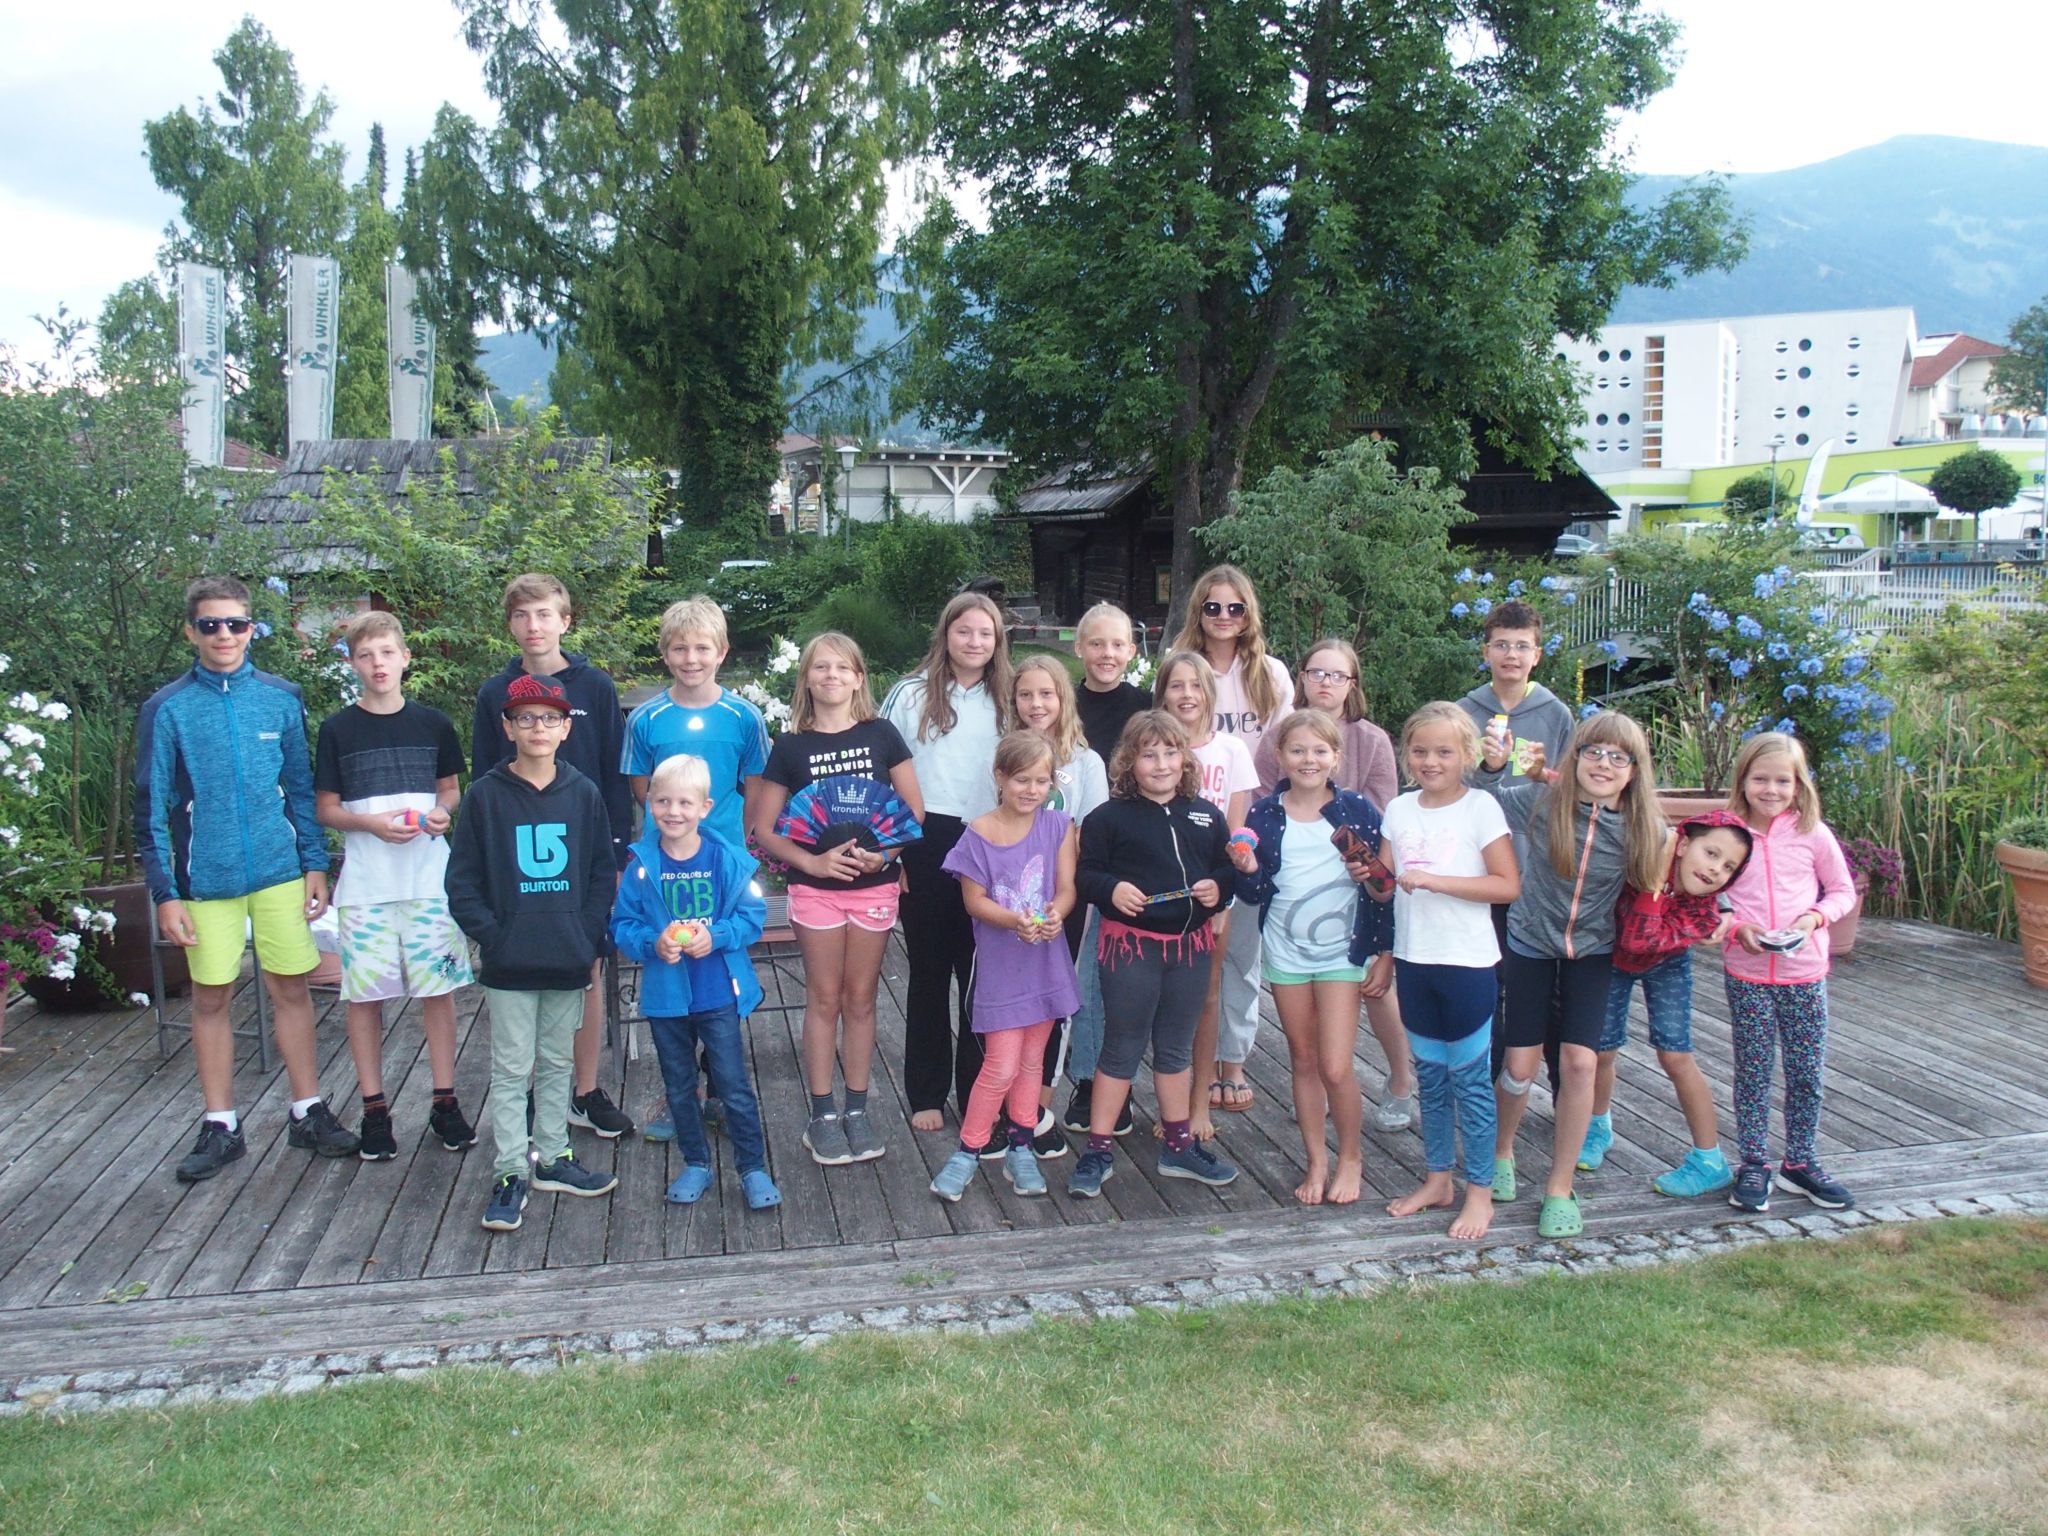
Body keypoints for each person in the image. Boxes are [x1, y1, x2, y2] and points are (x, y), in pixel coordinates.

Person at [137, 575, 359, 1182]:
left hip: (279, 871)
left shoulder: (281, 698)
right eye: (210, 624)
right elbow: (150, 806)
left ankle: (307, 1110)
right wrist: (165, 893)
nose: (224, 635)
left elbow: (301, 788)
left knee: (291, 988)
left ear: (251, 628)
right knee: (211, 996)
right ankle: (221, 1124)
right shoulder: (167, 708)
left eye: (235, 623)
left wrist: (315, 863)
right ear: (191, 631)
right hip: (203, 880)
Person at [446, 674, 619, 1232]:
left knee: (557, 1062)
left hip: (568, 956)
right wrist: (495, 937)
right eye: (525, 718)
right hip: (510, 963)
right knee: (511, 1067)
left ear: (566, 728)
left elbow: (600, 874)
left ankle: (554, 1156)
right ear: (508, 727)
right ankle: (510, 1171)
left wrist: (585, 934)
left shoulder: (583, 793)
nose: (538, 728)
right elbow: (462, 882)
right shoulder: (486, 796)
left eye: (549, 718)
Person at [471, 573, 635, 1140]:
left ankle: (584, 1091)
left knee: (586, 968)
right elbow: (483, 780)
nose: (533, 625)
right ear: (510, 625)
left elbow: (616, 774)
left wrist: (618, 856)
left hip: (585, 856)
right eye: (521, 615)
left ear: (565, 621)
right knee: (521, 973)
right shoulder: (495, 694)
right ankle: (534, 1092)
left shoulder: (595, 688)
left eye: (544, 614)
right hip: (518, 858)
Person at [1490, 710, 1665, 1239]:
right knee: (1519, 1065)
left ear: (1634, 771)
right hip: (1530, 944)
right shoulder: (1543, 801)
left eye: (1618, 757)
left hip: (1593, 952)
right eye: (1594, 751)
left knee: (1581, 1063)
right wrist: (1495, 765)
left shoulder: (1646, 830)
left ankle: (1559, 1187)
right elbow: (1485, 801)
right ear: (1575, 757)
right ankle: (1501, 1152)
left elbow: (1675, 889)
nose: (1604, 764)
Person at [751, 632, 923, 1167]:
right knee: (824, 998)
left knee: (862, 999)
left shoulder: (881, 734)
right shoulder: (791, 746)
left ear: (858, 678)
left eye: (842, 667)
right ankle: (822, 1113)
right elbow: (765, 830)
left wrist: (885, 855)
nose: (831, 676)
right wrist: (813, 864)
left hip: (874, 887)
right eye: (820, 667)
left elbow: (913, 812)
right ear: (806, 678)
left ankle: (857, 1108)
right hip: (816, 891)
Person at [313, 611, 474, 1159]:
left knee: (438, 993)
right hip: (365, 887)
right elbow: (327, 809)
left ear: (405, 657)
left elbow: (450, 790)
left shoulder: (433, 724)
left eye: (386, 653)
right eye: (366, 655)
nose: (378, 664)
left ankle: (445, 1103)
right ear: (352, 663)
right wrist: (370, 824)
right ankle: (374, 1110)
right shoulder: (337, 729)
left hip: (429, 882)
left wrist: (441, 814)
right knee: (365, 999)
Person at [1068, 711, 1238, 1198]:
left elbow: (1226, 870)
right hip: (1131, 950)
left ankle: (1179, 1146)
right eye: (1149, 754)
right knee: (1121, 1046)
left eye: (1170, 752)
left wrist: (1218, 887)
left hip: (1191, 950)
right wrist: (1112, 889)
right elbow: (1086, 876)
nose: (1161, 764)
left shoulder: (1207, 815)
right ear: (1129, 761)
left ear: (1184, 758)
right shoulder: (1108, 818)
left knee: (1176, 1049)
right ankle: (1098, 1149)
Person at [1228, 709, 1394, 1206]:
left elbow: (1385, 889)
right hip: (1286, 952)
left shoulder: (1356, 810)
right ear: (1279, 756)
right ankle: (1317, 1160)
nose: (1309, 759)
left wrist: (1384, 948)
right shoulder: (1264, 814)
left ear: (1336, 758)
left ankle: (1351, 1158)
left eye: (1320, 750)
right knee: (1302, 1059)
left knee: (1336, 1066)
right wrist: (1247, 868)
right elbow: (1255, 892)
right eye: (1297, 750)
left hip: (1342, 953)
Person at [623, 596, 771, 1142]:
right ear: (665, 654)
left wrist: (736, 844)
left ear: (722, 652)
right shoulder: (646, 719)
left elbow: (755, 784)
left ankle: (720, 1089)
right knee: (671, 968)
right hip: (665, 865)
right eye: (680, 648)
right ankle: (679, 1094)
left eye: (702, 648)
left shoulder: (743, 717)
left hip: (722, 865)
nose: (691, 659)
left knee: (719, 968)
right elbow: (642, 788)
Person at [1252, 636, 1413, 1132]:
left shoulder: (1372, 740)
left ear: (1352, 684)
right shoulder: (1280, 736)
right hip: (1299, 894)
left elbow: (1383, 814)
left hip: (1357, 876)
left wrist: (1352, 844)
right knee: (1310, 1037)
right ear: (1301, 678)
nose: (1326, 682)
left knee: (1376, 989)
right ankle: (1318, 1091)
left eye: (1337, 674)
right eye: (1317, 672)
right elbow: (1266, 806)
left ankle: (1400, 1076)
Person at [610, 753, 780, 1211]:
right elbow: (623, 925)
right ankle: (696, 1162)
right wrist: (652, 943)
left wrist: (717, 935)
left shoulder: (727, 860)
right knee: (679, 1085)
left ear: (705, 807)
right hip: (666, 998)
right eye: (662, 801)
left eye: (685, 802)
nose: (673, 811)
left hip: (717, 992)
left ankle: (752, 1166)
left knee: (733, 1083)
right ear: (649, 804)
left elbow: (752, 916)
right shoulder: (641, 865)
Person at [1377, 703, 1520, 1240]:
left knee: (1472, 1083)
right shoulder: (1399, 808)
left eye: (1444, 751)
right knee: (1432, 1080)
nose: (1431, 761)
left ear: (1467, 755)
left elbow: (1507, 885)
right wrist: (1365, 870)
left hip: (1467, 963)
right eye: (1420, 751)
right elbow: (1385, 885)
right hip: (1415, 958)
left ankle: (1479, 1191)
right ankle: (1438, 1180)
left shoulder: (1481, 806)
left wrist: (1438, 881)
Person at [929, 732, 1082, 1201]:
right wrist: (1015, 920)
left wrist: (1055, 915)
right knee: (1000, 1064)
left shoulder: (1058, 826)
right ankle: (968, 1151)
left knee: (1033, 1061)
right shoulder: (977, 833)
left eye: (1041, 780)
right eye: (1021, 779)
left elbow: (1067, 889)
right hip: (1000, 967)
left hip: (1045, 963)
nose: (1031, 790)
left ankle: (1021, 1148)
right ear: (1000, 777)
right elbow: (973, 902)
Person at [882, 592, 1012, 1135]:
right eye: (964, 631)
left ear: (998, 641)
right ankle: (927, 1092)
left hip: (992, 837)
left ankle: (978, 1094)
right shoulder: (911, 693)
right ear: (945, 634)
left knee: (981, 974)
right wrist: (891, 854)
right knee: (930, 970)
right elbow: (881, 774)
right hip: (926, 837)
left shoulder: (1010, 697)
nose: (974, 642)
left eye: (985, 633)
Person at [1721, 732, 1861, 1213]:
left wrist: (1813, 919)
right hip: (1747, 973)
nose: (1772, 790)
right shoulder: (1728, 832)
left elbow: (1842, 891)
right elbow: (1707, 895)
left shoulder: (1812, 833)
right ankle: (1754, 1162)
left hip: (1804, 973)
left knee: (1806, 1071)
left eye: (1783, 780)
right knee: (1753, 1070)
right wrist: (1737, 928)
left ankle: (1799, 1161)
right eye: (1760, 779)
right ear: (1743, 780)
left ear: (1799, 784)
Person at [1171, 565, 1291, 1119]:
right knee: (1193, 958)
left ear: (1249, 615)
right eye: (1213, 606)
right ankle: (1184, 1063)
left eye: (1235, 607)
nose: (1223, 616)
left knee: (1241, 950)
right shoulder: (1183, 666)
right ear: (1198, 611)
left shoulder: (1271, 674)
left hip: (1250, 818)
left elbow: (1284, 750)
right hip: (1187, 826)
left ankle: (1232, 1060)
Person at [1594, 810, 1754, 1198]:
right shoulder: (1643, 857)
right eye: (1711, 854)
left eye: (1728, 867)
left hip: (1666, 963)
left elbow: (1639, 939)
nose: (1716, 869)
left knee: (1676, 1055)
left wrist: (1656, 880)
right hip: (1609, 960)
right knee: (1602, 1050)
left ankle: (1709, 1160)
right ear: (1682, 845)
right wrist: (1660, 854)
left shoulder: (1702, 913)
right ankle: (1596, 1126)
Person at [1463, 598, 1577, 1089]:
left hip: (1539, 870)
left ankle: (1560, 1090)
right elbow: (1448, 784)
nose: (1511, 654)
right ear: (1486, 651)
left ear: (1537, 655)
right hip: (1480, 867)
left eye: (1522, 646)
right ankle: (1484, 1083)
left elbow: (1574, 789)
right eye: (1502, 645)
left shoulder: (1555, 714)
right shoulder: (1465, 711)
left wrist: (1542, 776)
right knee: (1488, 978)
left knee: (1543, 986)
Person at [1010, 655, 1108, 1156]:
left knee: (1053, 1002)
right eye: (1026, 694)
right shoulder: (1002, 754)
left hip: (1060, 901)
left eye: (1046, 694)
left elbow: (1089, 834)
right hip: (1007, 903)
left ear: (1063, 698)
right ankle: (1005, 1105)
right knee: (1008, 1001)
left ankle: (1036, 1111)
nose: (1036, 704)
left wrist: (1061, 899)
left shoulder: (1085, 762)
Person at [1155, 649, 1255, 1135]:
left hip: (1212, 894)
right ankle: (1167, 1105)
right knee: (1160, 1001)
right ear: (1162, 693)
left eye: (1196, 685)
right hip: (1157, 896)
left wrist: (1223, 901)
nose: (1187, 694)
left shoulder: (1231, 751)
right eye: (1176, 685)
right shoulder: (1151, 748)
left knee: (1207, 997)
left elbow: (1235, 838)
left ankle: (1197, 1106)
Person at [1062, 602, 1150, 1140]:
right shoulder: (1061, 704)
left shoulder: (1145, 707)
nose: (1107, 654)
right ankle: (1082, 1077)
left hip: (1128, 858)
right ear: (1079, 648)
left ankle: (1111, 1080)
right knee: (1077, 972)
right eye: (1096, 643)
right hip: (1066, 853)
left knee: (1112, 976)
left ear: (1132, 652)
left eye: (1117, 644)